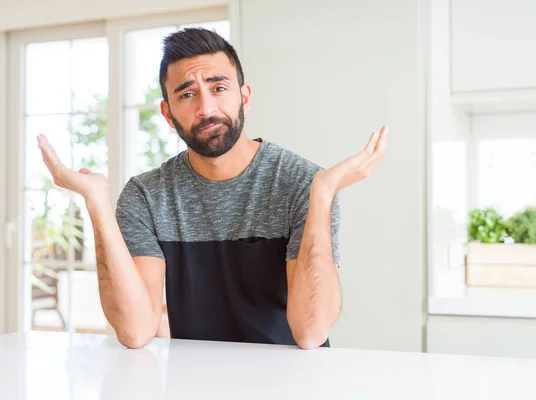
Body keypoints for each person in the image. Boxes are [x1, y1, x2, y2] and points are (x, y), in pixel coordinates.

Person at [37, 28, 387, 350]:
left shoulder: (304, 185)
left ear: (244, 97)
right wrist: (97, 204)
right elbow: (135, 331)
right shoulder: (145, 196)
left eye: (218, 88)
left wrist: (323, 194)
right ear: (168, 113)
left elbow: (310, 332)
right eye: (187, 94)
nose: (206, 108)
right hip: (193, 384)